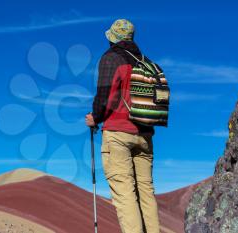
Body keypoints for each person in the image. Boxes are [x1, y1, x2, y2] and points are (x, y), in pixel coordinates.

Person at [85, 19, 160, 233]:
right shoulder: (147, 63)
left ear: (114, 38)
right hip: (145, 136)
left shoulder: (111, 58)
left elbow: (104, 95)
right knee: (146, 193)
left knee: (125, 194)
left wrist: (95, 118)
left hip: (118, 134)